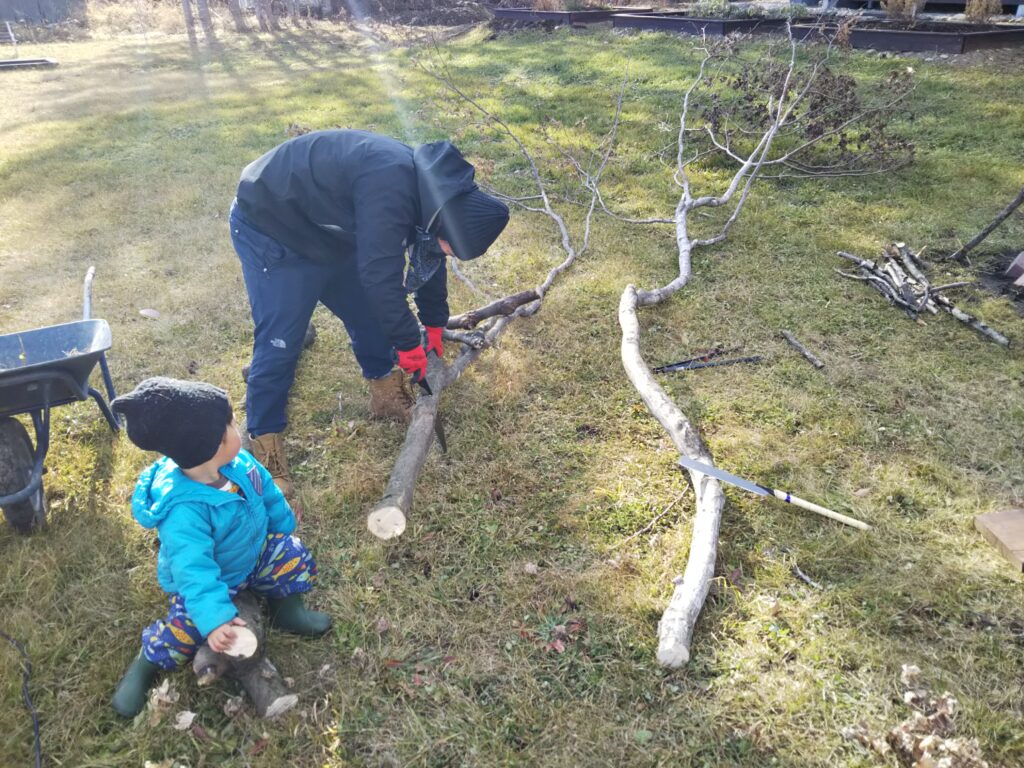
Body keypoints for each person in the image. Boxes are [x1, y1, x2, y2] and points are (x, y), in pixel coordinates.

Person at [230, 129, 510, 496]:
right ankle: (265, 443)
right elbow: (381, 280)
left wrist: (434, 323)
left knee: (371, 316)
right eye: (452, 248)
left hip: (326, 228)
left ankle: (384, 393)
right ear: (447, 224)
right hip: (271, 224)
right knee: (280, 341)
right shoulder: (390, 189)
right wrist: (409, 345)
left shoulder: (436, 199)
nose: (449, 255)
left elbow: (429, 258)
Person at [109, 377, 331, 718]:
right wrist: (215, 621)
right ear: (210, 446)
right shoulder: (184, 511)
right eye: (229, 423)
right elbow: (194, 572)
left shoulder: (240, 464)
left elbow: (267, 492)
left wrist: (282, 524)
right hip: (214, 581)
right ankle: (146, 663)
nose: (236, 426)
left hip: (251, 556)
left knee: (290, 553)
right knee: (184, 631)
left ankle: (287, 610)